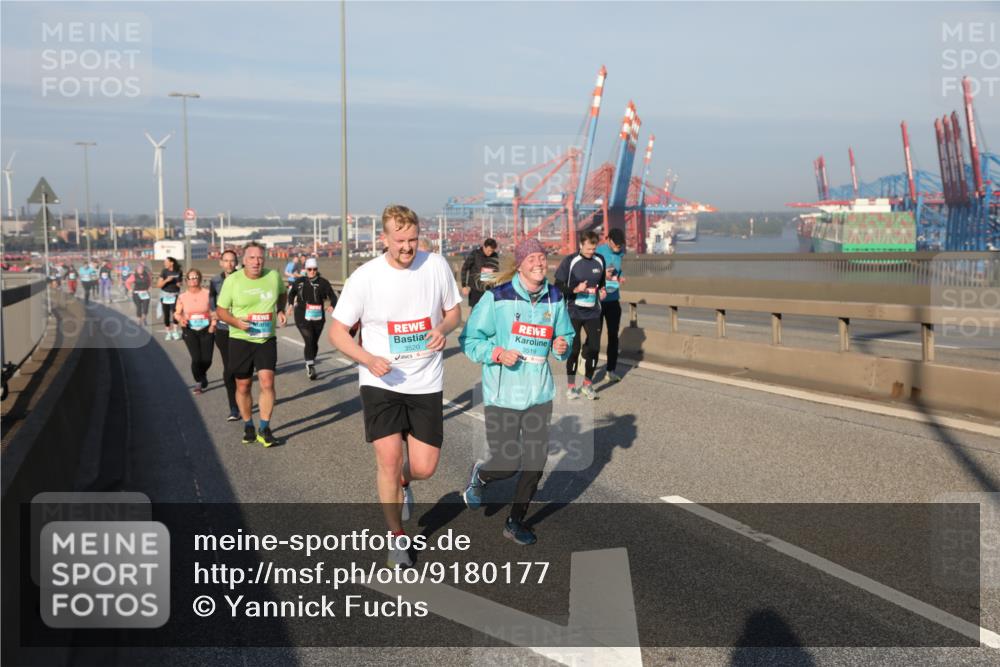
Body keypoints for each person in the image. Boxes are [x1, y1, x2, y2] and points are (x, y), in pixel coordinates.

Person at [329, 204, 462, 568]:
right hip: (380, 380)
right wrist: (366, 358)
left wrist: (443, 329)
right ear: (383, 239)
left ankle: (405, 483)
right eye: (400, 240)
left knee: (425, 466)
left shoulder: (435, 266)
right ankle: (396, 537)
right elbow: (337, 332)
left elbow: (454, 312)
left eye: (413, 240)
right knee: (388, 459)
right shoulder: (365, 277)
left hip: (425, 381)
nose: (407, 247)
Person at [459, 238, 574, 545]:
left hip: (539, 393)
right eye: (532, 258)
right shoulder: (498, 297)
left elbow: (564, 336)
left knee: (535, 463)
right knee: (509, 463)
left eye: (543, 257)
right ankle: (481, 475)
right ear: (520, 263)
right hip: (503, 394)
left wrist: (562, 347)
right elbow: (469, 340)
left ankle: (515, 521)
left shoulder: (554, 298)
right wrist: (496, 353)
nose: (539, 263)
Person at [215, 241, 287, 447]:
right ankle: (248, 424)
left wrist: (281, 309)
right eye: (252, 258)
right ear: (244, 261)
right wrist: (237, 322)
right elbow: (221, 311)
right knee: (244, 385)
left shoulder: (273, 276)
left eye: (260, 258)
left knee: (267, 382)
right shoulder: (233, 281)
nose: (256, 262)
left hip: (265, 338)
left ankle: (265, 428)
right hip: (240, 338)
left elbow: (283, 293)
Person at [554, 230, 606, 400]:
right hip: (574, 311)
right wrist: (575, 290)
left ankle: (587, 385)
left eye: (594, 249)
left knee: (594, 349)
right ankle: (571, 387)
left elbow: (602, 283)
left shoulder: (600, 260)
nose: (592, 252)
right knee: (574, 349)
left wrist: (603, 290)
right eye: (589, 249)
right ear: (581, 245)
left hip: (593, 312)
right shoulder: (570, 261)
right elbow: (558, 286)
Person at [287, 257, 337, 380]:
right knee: (309, 340)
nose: (312, 271)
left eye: (314, 269)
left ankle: (310, 359)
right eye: (310, 269)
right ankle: (310, 365)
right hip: (301, 315)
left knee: (314, 343)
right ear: (306, 269)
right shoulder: (299, 281)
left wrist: (332, 305)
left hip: (318, 317)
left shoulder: (323, 282)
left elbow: (333, 296)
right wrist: (290, 305)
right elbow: (291, 293)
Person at [209, 249, 241, 421]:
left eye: (232, 260)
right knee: (229, 368)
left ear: (236, 262)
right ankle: (233, 407)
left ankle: (243, 396)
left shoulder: (243, 278)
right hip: (223, 330)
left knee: (242, 368)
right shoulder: (215, 281)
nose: (229, 264)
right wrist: (215, 314)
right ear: (221, 262)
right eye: (226, 260)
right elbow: (211, 301)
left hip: (241, 329)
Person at [174, 268, 216, 394]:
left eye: (195, 277)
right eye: (190, 278)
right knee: (196, 359)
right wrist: (181, 318)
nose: (193, 280)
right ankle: (199, 381)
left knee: (207, 359)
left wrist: (213, 325)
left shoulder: (207, 293)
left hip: (206, 329)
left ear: (200, 279)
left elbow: (214, 312)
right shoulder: (182, 297)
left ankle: (202, 374)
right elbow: (177, 313)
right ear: (186, 281)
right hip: (190, 330)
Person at [596, 228, 627, 383]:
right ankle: (585, 358)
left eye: (620, 246)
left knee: (613, 337)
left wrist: (620, 277)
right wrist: (603, 274)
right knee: (595, 336)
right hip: (598, 301)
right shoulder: (598, 252)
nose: (618, 248)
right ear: (608, 240)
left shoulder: (620, 253)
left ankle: (611, 370)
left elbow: (618, 271)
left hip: (614, 300)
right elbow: (589, 272)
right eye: (615, 245)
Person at [459, 238, 500, 308]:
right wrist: (464, 286)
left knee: (487, 311)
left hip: (488, 289)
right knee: (475, 311)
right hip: (475, 290)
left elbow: (496, 271)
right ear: (484, 247)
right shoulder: (475, 254)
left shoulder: (495, 256)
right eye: (489, 250)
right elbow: (464, 268)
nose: (490, 253)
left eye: (492, 251)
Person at [158, 257, 183, 341]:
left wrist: (179, 283)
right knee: (166, 314)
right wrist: (167, 280)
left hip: (175, 295)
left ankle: (175, 331)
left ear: (171, 263)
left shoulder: (179, 271)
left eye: (166, 262)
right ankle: (168, 333)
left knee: (176, 313)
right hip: (165, 295)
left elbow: (180, 283)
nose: (164, 263)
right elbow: (159, 285)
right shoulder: (164, 272)